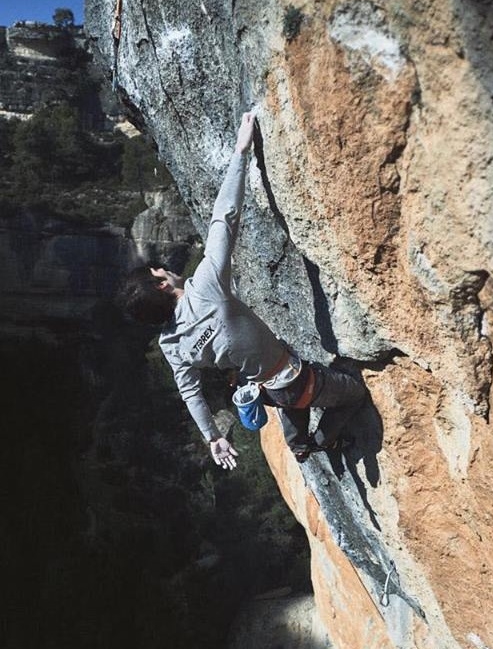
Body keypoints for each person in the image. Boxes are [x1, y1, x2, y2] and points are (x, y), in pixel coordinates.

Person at [120, 112, 365, 470]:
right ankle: (324, 441)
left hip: (263, 390)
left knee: (288, 401)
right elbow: (225, 217)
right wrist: (240, 152)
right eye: (161, 271)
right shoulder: (204, 288)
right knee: (353, 393)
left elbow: (191, 394)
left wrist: (214, 437)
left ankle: (298, 446)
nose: (168, 270)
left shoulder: (171, 345)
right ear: (161, 284)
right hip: (292, 377)